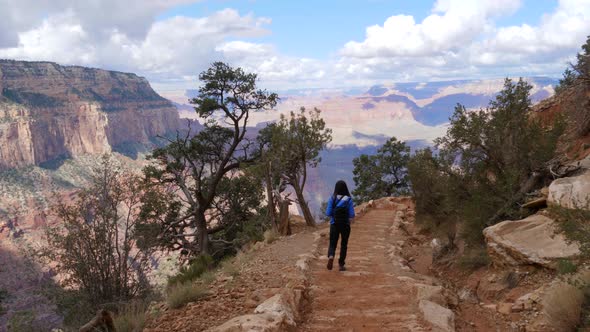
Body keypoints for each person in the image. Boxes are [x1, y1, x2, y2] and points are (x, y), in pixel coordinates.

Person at [325, 180, 355, 271]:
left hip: (334, 224)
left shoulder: (332, 198)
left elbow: (328, 213)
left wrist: (334, 215)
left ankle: (331, 256)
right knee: (344, 244)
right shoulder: (348, 199)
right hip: (345, 225)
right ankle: (341, 264)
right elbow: (352, 215)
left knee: (333, 243)